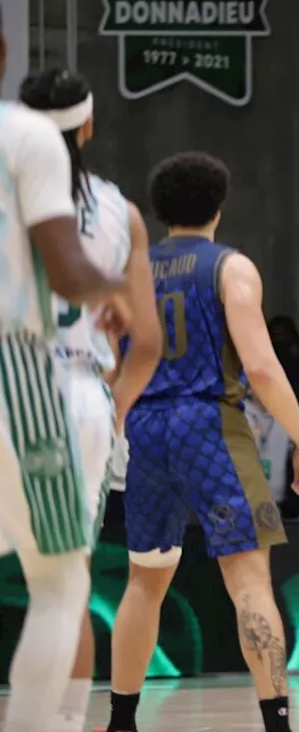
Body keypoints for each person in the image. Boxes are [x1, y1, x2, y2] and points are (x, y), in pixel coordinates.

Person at [100, 152, 299, 732]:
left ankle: (121, 721)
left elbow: (109, 365)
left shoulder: (132, 272)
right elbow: (263, 368)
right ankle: (276, 722)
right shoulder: (230, 267)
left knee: (144, 581)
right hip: (210, 425)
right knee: (249, 579)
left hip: (144, 430)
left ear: (159, 210)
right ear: (219, 207)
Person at [17, 68, 163, 732]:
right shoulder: (118, 210)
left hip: (14, 375)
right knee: (62, 587)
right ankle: (61, 723)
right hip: (75, 395)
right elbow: (148, 342)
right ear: (90, 125)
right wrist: (113, 402)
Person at [0, 13, 134, 732]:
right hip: (40, 380)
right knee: (59, 582)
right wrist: (113, 294)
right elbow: (74, 272)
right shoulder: (33, 145)